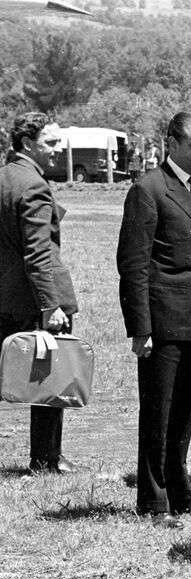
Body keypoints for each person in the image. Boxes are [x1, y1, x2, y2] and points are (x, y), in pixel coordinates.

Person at [117, 111, 191, 528]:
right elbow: (133, 264)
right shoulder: (148, 189)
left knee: (185, 414)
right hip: (165, 323)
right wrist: (140, 328)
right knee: (159, 413)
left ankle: (181, 493)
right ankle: (153, 500)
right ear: (172, 143)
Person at [0, 112, 79, 475]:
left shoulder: (6, 176)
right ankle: (47, 457)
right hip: (32, 298)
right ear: (27, 143)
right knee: (51, 375)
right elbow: (38, 251)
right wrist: (52, 306)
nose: (58, 149)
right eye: (50, 142)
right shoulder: (32, 185)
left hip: (7, 294)